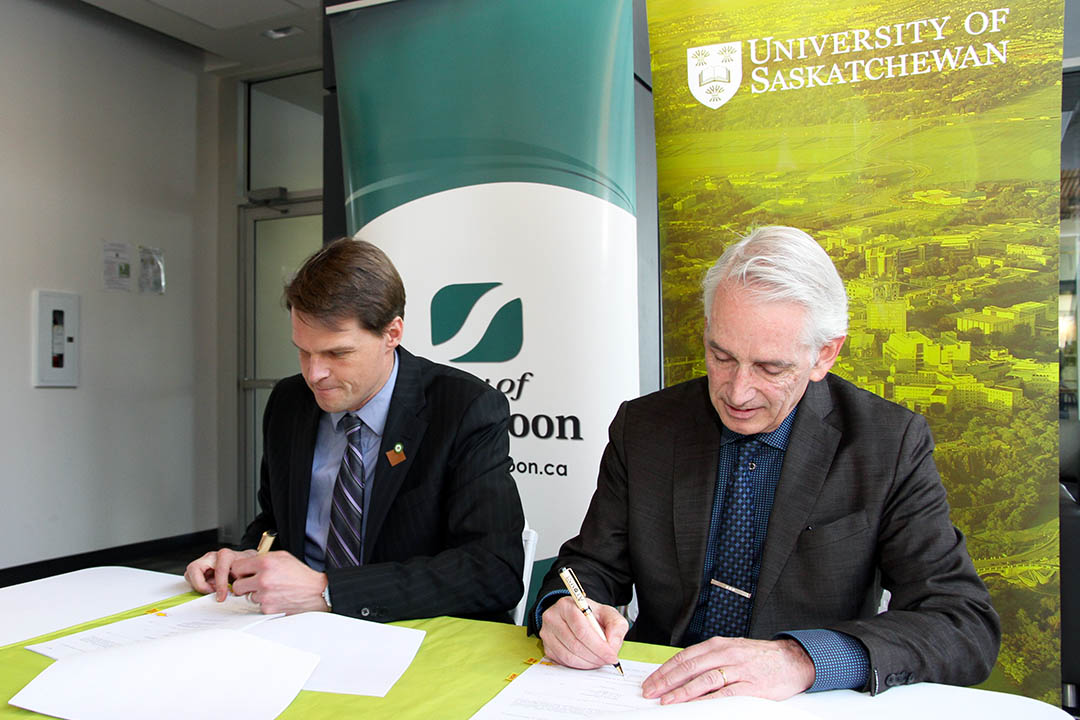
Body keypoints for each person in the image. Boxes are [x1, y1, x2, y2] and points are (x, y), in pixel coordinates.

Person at [529, 226, 1000, 703]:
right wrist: (567, 608)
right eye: (721, 356)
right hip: (653, 697)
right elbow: (589, 566)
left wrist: (802, 658)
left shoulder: (886, 444)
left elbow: (961, 622)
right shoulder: (647, 427)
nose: (737, 392)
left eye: (770, 369)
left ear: (824, 355)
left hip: (802, 705)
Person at [186, 237, 525, 622]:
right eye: (303, 351)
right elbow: (276, 521)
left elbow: (494, 571)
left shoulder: (464, 409)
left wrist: (328, 592)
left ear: (392, 334)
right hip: (291, 631)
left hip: (414, 634)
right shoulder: (289, 403)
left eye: (337, 353)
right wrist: (248, 557)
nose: (315, 374)